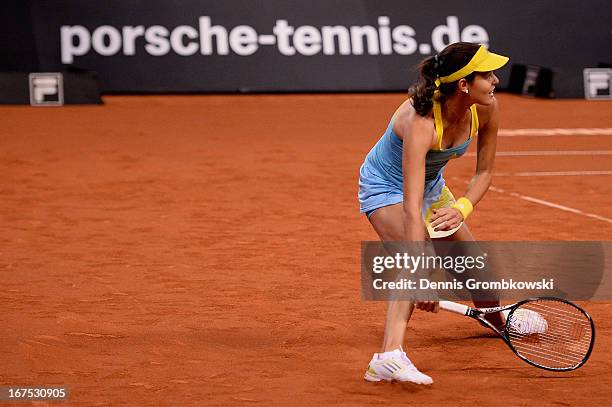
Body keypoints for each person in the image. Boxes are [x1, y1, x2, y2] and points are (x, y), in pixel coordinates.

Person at [358, 42, 509, 384]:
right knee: (417, 259)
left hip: (432, 188)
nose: (496, 80)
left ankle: (497, 321)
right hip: (386, 187)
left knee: (476, 272)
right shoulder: (421, 121)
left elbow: (484, 172)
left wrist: (461, 208)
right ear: (464, 85)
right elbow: (411, 208)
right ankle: (387, 356)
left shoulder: (486, 108)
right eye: (487, 75)